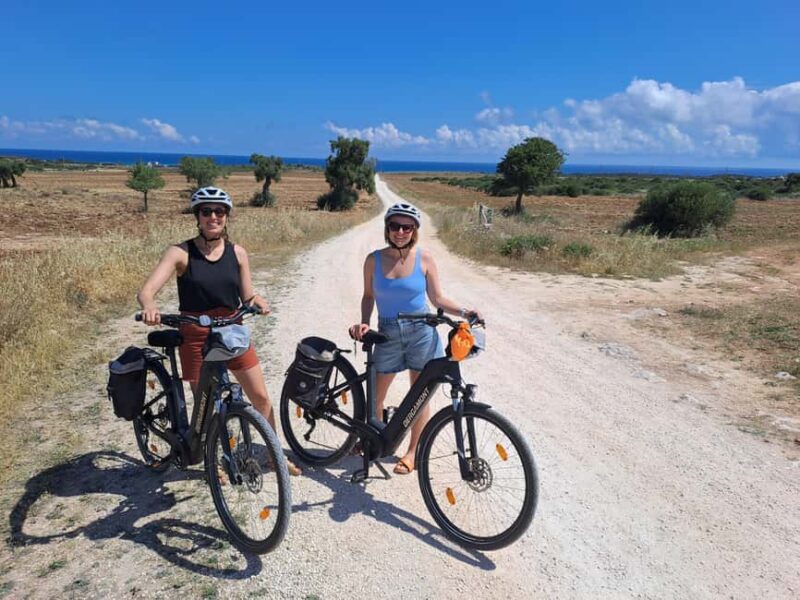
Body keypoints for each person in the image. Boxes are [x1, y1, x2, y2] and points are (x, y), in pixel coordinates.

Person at [137, 186, 301, 476]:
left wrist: (257, 301)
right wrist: (150, 306)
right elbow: (147, 291)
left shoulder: (237, 252)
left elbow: (247, 295)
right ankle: (216, 463)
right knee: (206, 408)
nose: (213, 216)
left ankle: (274, 456)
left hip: (232, 331)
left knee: (260, 398)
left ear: (227, 217)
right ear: (197, 217)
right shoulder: (180, 253)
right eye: (206, 211)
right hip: (196, 335)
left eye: (219, 211)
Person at [349, 202, 481, 475]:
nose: (400, 231)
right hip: (387, 333)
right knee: (376, 396)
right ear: (387, 228)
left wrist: (466, 311)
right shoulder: (373, 260)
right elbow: (368, 296)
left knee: (419, 396)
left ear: (414, 230)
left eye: (406, 227)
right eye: (395, 226)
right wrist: (364, 322)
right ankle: (373, 438)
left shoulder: (424, 258)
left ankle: (412, 452)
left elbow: (438, 298)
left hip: (422, 332)